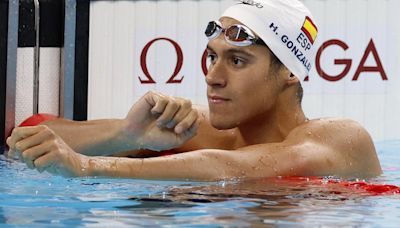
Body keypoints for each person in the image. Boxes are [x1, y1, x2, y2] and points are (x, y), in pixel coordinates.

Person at [6, 0, 382, 180]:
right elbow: (25, 139)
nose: (212, 77)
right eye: (212, 57)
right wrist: (126, 134)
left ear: (289, 72)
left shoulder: (340, 139)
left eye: (237, 61)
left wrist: (87, 166)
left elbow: (235, 168)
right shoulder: (201, 131)